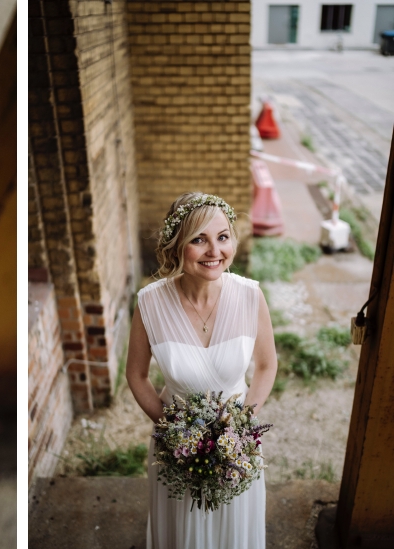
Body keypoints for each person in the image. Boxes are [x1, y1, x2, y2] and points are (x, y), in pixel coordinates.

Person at [124, 192, 278, 548]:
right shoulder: (150, 303)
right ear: (176, 246)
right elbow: (137, 375)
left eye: (223, 237)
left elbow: (267, 365)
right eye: (199, 240)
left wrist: (240, 428)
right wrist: (174, 431)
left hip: (236, 446)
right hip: (176, 447)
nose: (215, 251)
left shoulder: (251, 296)